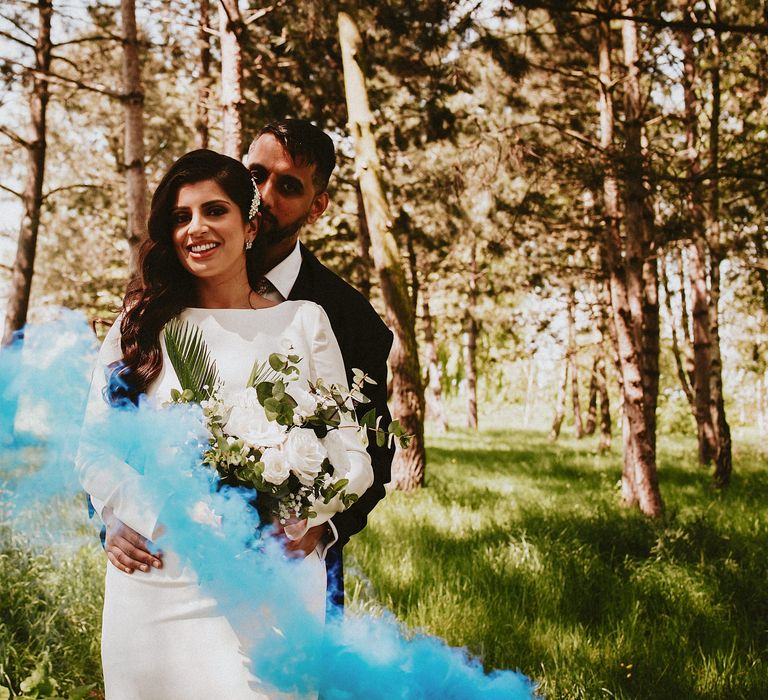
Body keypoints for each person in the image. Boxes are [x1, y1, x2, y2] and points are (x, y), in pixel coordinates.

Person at [76, 148, 374, 699]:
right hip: (159, 575)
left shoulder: (303, 322)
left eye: (215, 211)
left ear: (250, 223)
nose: (197, 228)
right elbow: (93, 450)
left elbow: (352, 457)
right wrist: (125, 516)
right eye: (181, 216)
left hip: (271, 581)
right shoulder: (139, 327)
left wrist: (311, 519)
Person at [105, 120, 395, 613]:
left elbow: (370, 450)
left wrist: (321, 528)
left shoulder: (348, 320)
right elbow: (114, 417)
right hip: (166, 565)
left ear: (317, 205)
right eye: (255, 173)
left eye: (288, 186)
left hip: (285, 568)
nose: (264, 192)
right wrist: (111, 516)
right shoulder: (158, 300)